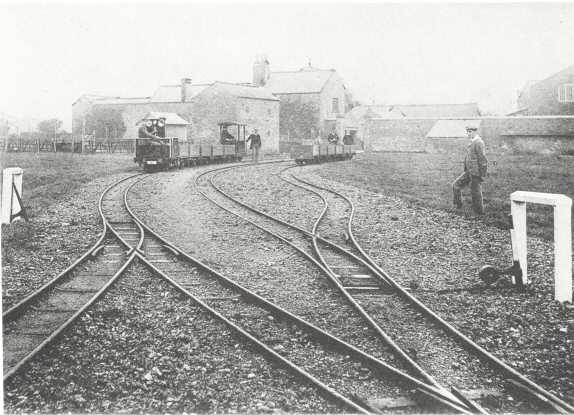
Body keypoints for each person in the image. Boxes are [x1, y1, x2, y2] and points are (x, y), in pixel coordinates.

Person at [452, 126, 488, 215]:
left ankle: (479, 212)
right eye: (467, 132)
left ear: (475, 132)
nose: (468, 133)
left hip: (476, 173)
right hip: (469, 171)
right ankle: (458, 205)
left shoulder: (479, 142)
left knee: (476, 192)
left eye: (470, 131)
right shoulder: (472, 142)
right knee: (456, 185)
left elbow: (482, 159)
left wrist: (482, 174)